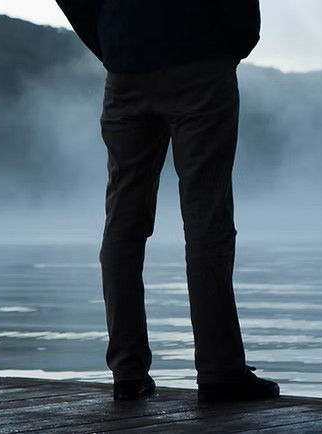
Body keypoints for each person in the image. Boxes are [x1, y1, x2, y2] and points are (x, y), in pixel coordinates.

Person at [55, 0, 280, 402]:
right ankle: (220, 371)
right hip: (200, 60)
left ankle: (127, 373)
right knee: (206, 217)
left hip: (127, 66)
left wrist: (114, 42)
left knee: (123, 222)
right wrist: (234, 43)